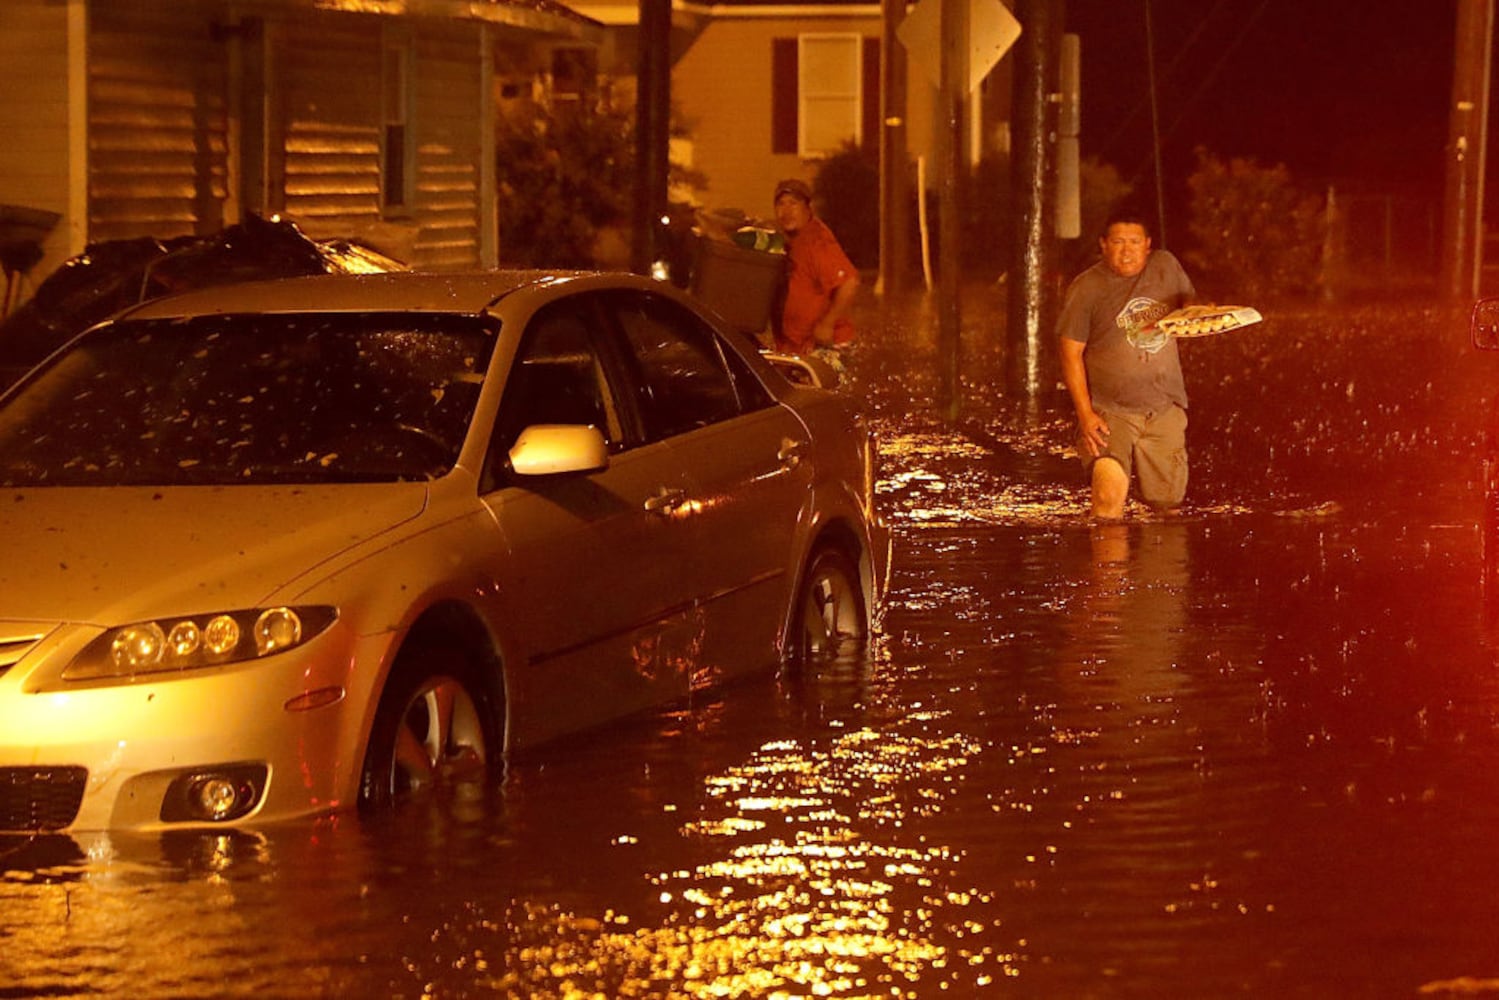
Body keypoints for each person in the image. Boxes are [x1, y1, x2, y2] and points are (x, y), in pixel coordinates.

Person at [1058, 210, 1196, 520]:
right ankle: (1108, 568)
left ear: (1147, 245)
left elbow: (1189, 304)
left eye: (1134, 241)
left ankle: (1158, 568)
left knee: (1167, 506)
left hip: (1163, 407)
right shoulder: (1087, 288)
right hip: (1110, 411)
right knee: (1108, 499)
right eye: (1118, 241)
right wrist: (1085, 413)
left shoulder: (1165, 266)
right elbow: (1069, 353)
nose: (1126, 250)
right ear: (1103, 245)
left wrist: (1201, 314)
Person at [772, 178, 859, 361]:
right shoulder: (788, 241)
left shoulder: (817, 242)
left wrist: (827, 324)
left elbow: (850, 283)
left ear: (808, 208)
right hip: (797, 347)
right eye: (781, 204)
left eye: (793, 204)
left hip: (828, 346)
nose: (786, 211)